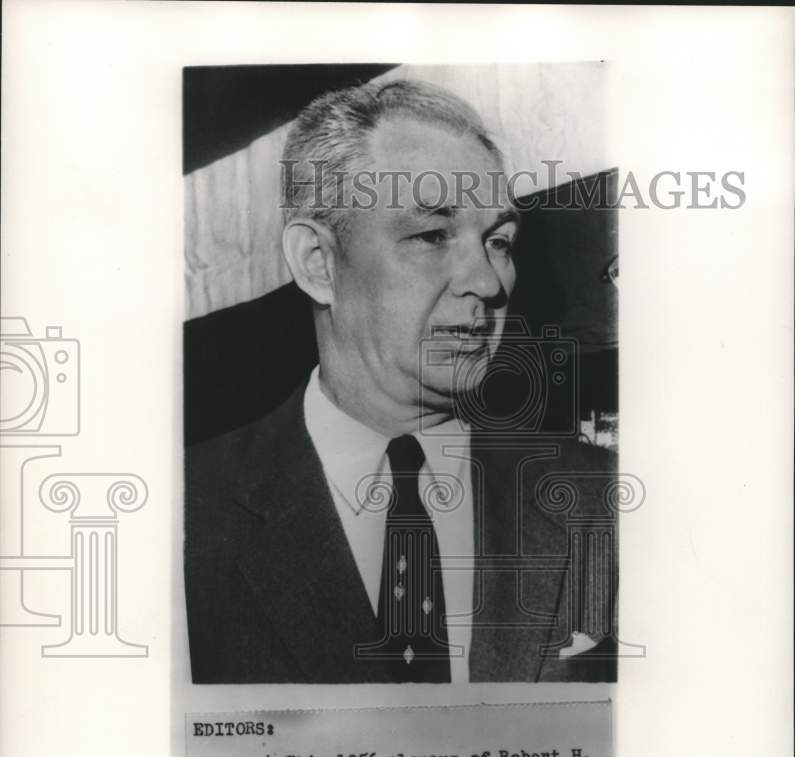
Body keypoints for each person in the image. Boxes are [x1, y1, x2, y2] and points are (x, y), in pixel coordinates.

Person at [185, 78, 617, 684]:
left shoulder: (602, 502)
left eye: (499, 242)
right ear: (318, 263)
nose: (489, 283)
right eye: (431, 236)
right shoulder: (184, 514)